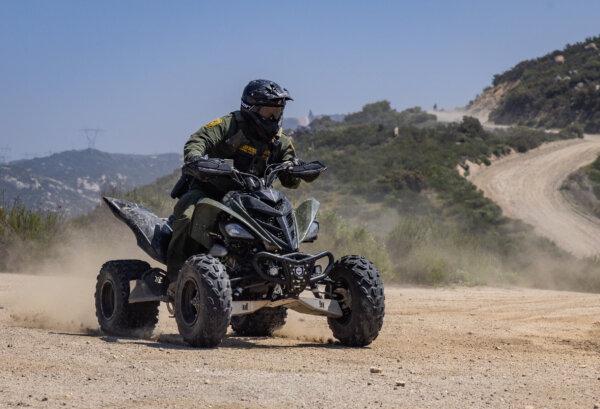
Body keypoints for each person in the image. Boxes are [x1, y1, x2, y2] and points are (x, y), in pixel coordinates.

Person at [166, 79, 306, 281]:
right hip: (210, 192)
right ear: (251, 108)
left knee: (283, 219)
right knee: (187, 217)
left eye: (278, 112)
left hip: (252, 198)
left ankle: (283, 270)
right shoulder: (229, 124)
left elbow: (289, 175)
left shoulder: (278, 139)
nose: (274, 117)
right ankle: (176, 279)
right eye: (269, 112)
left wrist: (295, 169)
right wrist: (196, 159)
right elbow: (199, 140)